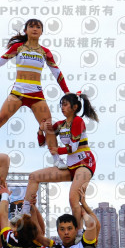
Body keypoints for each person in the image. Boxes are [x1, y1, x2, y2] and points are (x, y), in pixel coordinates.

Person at [0, 19, 70, 169]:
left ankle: (57, 159)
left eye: (38, 27)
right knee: (1, 118)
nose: (35, 29)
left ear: (42, 32)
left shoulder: (45, 52)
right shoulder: (18, 47)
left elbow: (57, 72)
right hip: (18, 92)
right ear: (25, 30)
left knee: (48, 126)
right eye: (31, 26)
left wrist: (66, 91)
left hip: (36, 95)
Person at [22, 91, 99, 229]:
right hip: (70, 166)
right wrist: (41, 130)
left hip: (84, 163)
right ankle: (24, 212)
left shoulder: (78, 121)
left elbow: (73, 147)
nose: (62, 107)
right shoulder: (61, 124)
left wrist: (58, 150)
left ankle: (78, 233)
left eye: (65, 104)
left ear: (75, 107)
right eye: (61, 105)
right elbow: (42, 143)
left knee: (73, 198)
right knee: (34, 176)